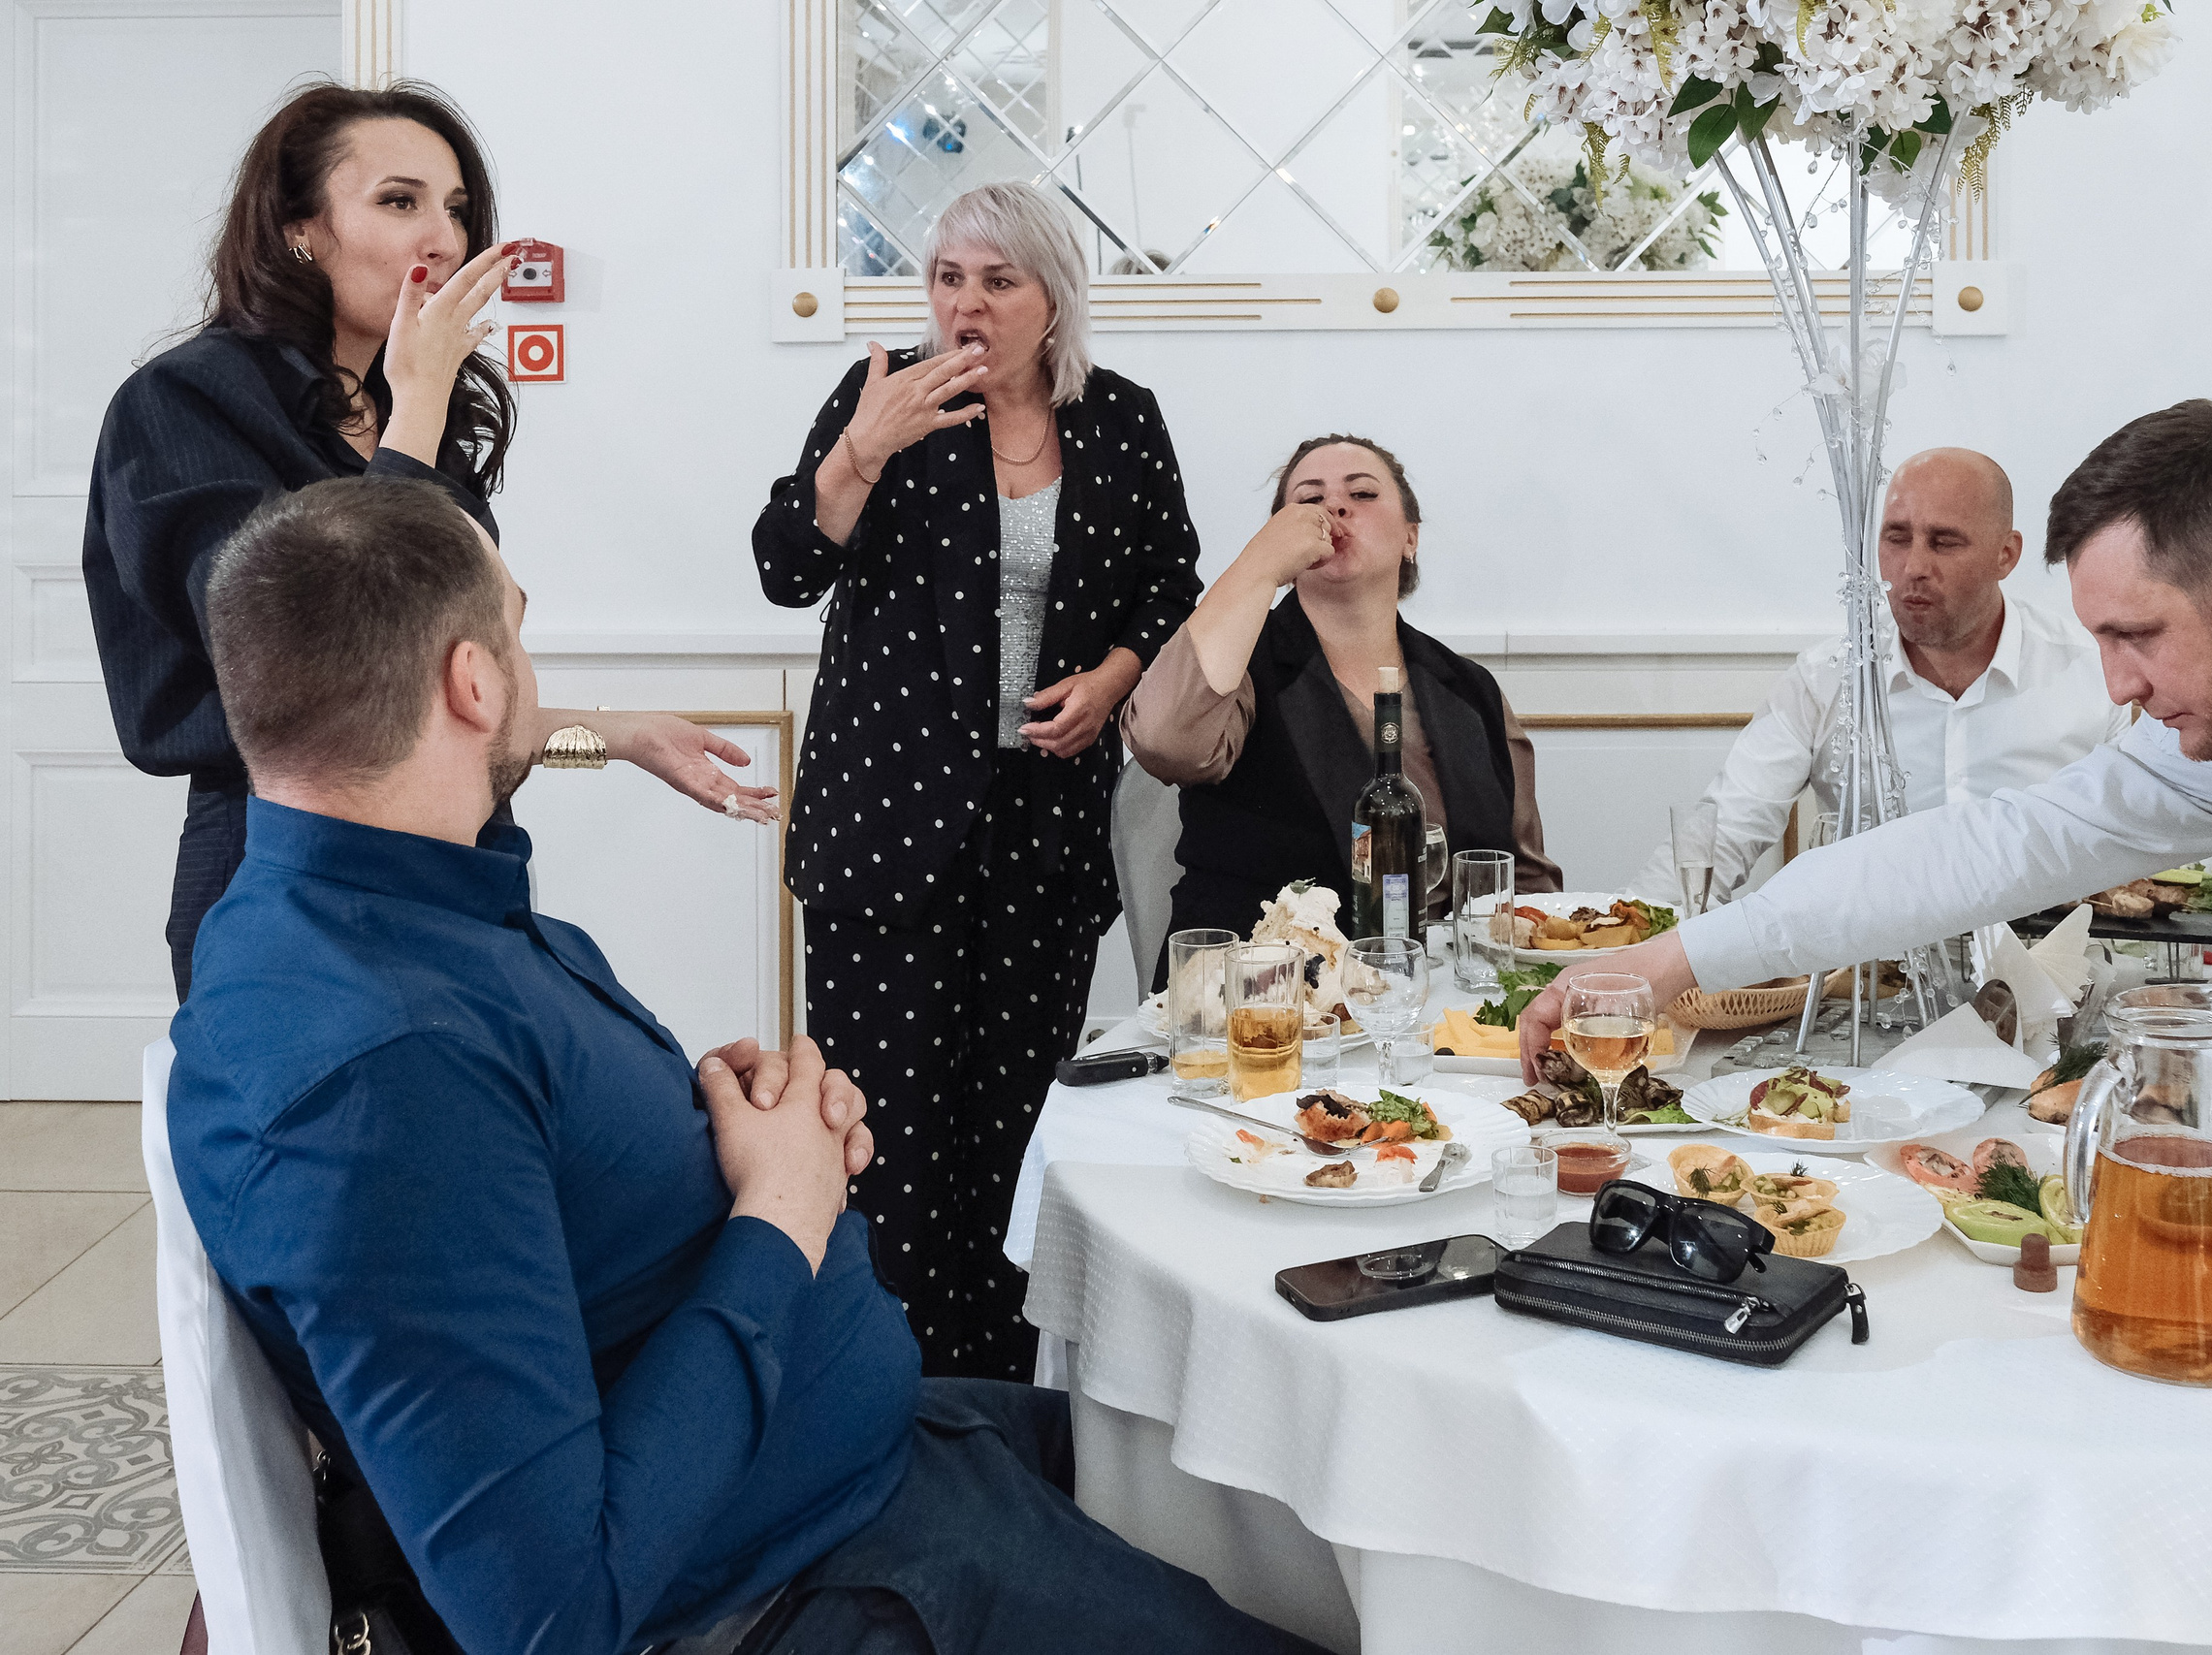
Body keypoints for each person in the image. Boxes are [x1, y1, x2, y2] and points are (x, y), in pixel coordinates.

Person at [173, 477, 1318, 1655]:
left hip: (852, 1454)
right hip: (796, 1578)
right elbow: (550, 1615)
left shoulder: (385, 907)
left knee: (1303, 1501)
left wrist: (725, 1133)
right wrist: (783, 1212)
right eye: (517, 629)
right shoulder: (383, 1076)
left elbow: (533, 1187)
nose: (529, 666)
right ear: (473, 681)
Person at [1522, 399, 2212, 1070]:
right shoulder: (2205, 759)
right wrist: (1664, 961)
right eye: (2102, 642)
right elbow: (1972, 852)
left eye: (2138, 636)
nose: (2119, 685)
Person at [83, 80, 773, 1002]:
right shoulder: (184, 402)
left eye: (456, 208)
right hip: (295, 878)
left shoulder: (410, 410)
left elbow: (440, 699)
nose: (445, 239)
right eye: (399, 201)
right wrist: (416, 412)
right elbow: (324, 662)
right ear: (300, 230)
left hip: (464, 867)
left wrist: (619, 735)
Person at [751, 182, 1202, 1382]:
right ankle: (879, 1397)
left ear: (1053, 299)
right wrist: (861, 452)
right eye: (949, 277)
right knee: (887, 1139)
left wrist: (1112, 677)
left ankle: (997, 1406)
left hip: (1043, 832)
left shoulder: (1119, 419)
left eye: (998, 281)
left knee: (1013, 1132)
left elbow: (1170, 581)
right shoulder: (884, 397)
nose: (967, 304)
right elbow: (785, 568)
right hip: (884, 827)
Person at [1121, 433, 1560, 961]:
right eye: (1309, 499)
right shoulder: (1240, 668)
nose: (1333, 507)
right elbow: (1164, 742)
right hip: (1265, 993)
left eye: (1363, 494)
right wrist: (1258, 566)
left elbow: (1527, 887)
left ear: (1410, 537)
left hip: (1448, 989)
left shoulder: (1471, 690)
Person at [1637, 447, 2120, 903]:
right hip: (1871, 957)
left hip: (2048, 953)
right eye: (1896, 538)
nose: (1913, 567)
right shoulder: (1828, 678)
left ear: (2006, 555)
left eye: (1944, 542)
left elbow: (2132, 843)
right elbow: (1725, 832)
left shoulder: (2094, 672)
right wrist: (1634, 940)